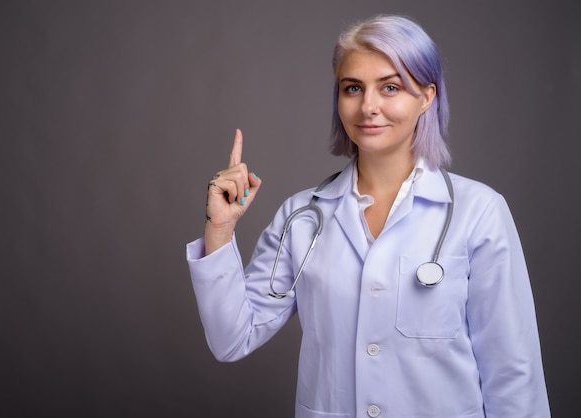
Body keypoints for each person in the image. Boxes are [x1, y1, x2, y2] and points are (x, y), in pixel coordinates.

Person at [186, 14, 550, 417]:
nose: (368, 106)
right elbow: (231, 338)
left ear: (426, 96)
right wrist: (219, 229)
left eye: (390, 87)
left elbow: (513, 373)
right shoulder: (304, 216)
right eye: (353, 88)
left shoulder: (479, 212)